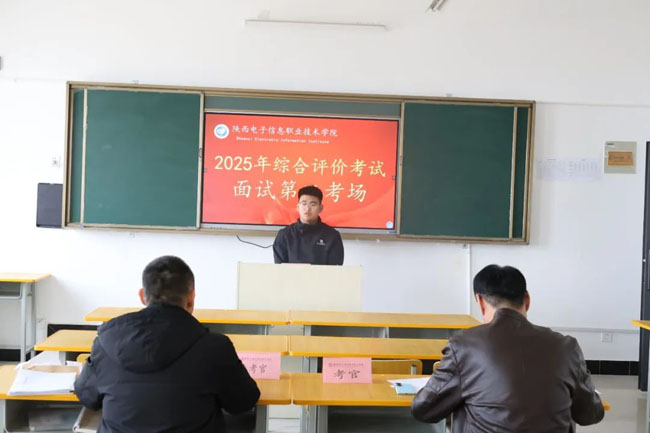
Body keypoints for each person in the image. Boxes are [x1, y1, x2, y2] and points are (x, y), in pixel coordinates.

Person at [74, 255, 260, 433]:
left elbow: (87, 397)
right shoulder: (215, 347)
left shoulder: (106, 344)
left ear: (142, 296)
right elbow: (243, 402)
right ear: (191, 298)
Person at [412, 264, 604, 432]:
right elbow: (590, 414)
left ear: (480, 301)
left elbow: (424, 409)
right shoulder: (567, 347)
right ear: (527, 300)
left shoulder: (463, 345)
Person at [273, 185, 344, 265]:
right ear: (298, 207)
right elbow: (280, 269)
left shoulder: (332, 236)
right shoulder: (284, 235)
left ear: (321, 208)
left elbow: (335, 270)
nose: (307, 209)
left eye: (312, 205)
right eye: (304, 204)